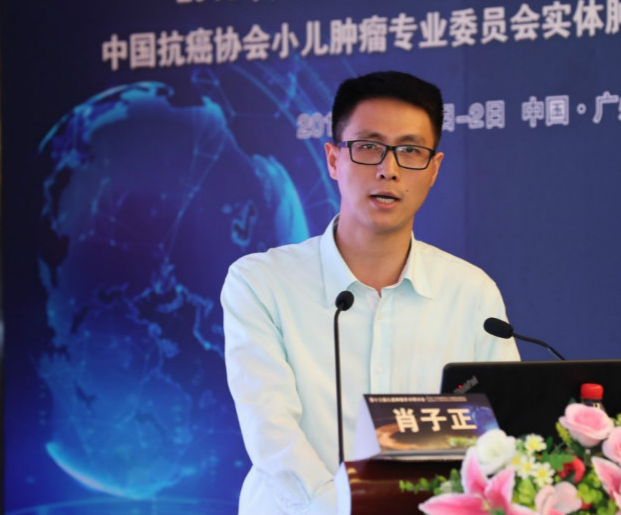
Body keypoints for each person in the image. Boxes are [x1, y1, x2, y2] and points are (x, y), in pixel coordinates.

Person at [221, 70, 520, 514]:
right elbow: (272, 432)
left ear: (434, 169)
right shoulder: (262, 283)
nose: (389, 169)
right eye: (368, 147)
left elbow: (499, 433)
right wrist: (344, 508)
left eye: (411, 151)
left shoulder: (471, 294)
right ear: (333, 159)